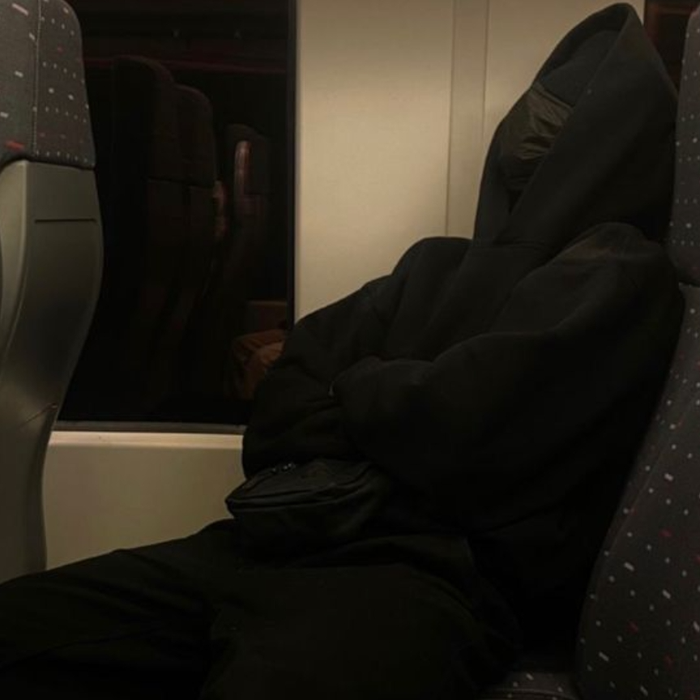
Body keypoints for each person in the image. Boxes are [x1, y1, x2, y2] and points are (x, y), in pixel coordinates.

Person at [0, 4, 684, 698]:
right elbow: (277, 411)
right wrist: (395, 404)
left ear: (609, 137)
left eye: (558, 117)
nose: (529, 131)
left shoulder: (621, 274)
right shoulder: (434, 263)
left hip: (429, 581)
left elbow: (465, 430)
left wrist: (352, 388)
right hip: (277, 539)